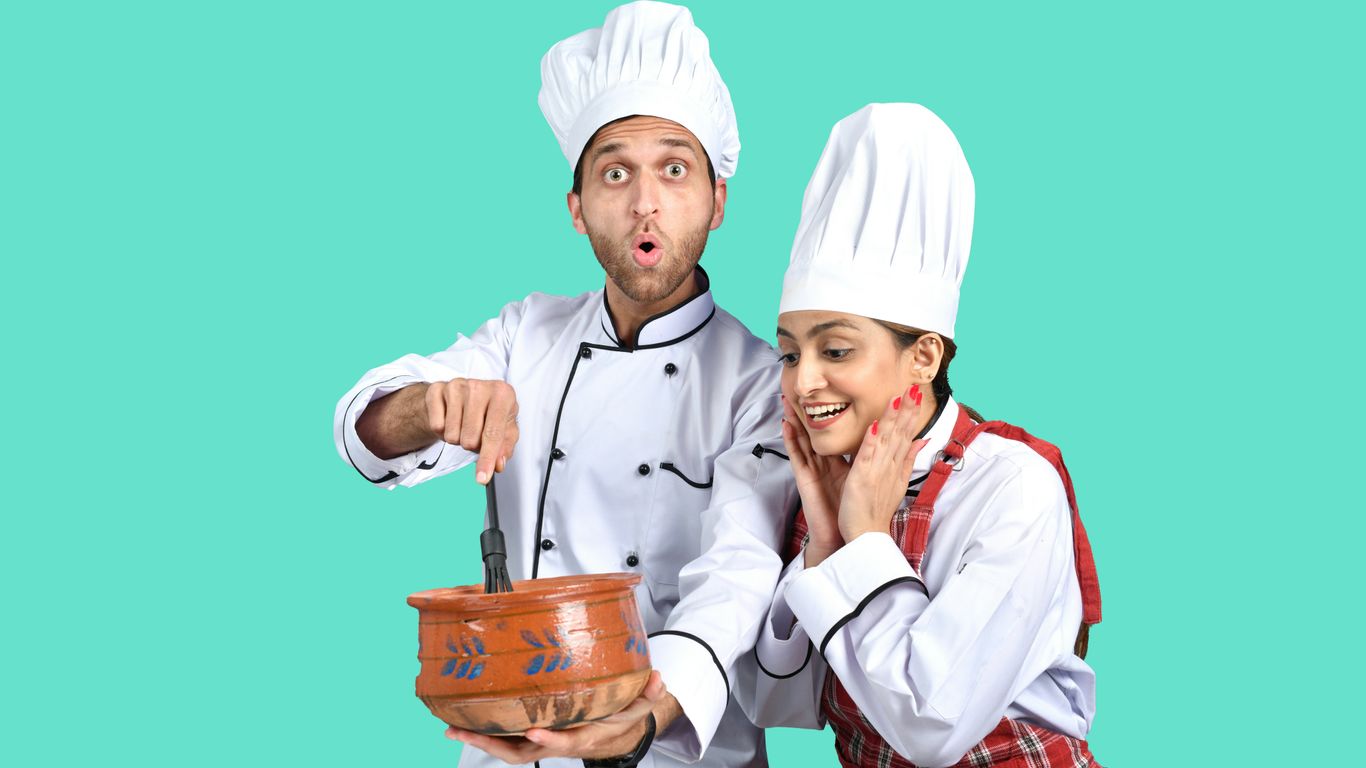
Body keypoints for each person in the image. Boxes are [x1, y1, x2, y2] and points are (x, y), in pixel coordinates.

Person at [332, 3, 796, 767]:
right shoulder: (526, 334)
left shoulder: (761, 385)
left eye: (674, 169)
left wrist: (641, 719)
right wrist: (432, 407)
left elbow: (739, 573)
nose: (644, 202)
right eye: (615, 172)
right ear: (578, 210)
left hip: (673, 750)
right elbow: (368, 435)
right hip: (504, 747)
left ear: (719, 200)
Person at [735, 103, 1103, 768]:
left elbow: (933, 727)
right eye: (790, 352)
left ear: (925, 357)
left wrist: (866, 540)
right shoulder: (824, 485)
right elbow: (775, 700)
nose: (803, 381)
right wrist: (823, 544)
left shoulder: (1012, 487)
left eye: (836, 350)